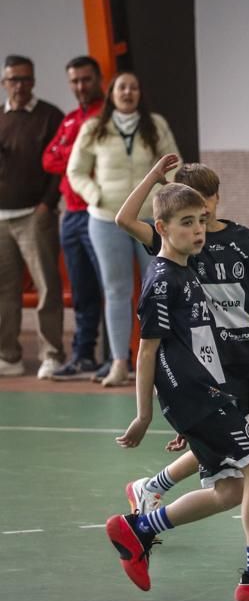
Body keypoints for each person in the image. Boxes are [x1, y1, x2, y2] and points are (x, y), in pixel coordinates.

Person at [103, 181, 249, 601]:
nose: (199, 230)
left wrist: (211, 399)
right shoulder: (163, 280)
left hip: (207, 393)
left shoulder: (186, 270)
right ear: (162, 228)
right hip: (193, 394)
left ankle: (141, 529)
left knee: (232, 489)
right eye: (187, 223)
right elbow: (146, 351)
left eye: (202, 221)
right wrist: (145, 414)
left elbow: (200, 344)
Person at [67, 71, 179, 387]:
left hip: (150, 220)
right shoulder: (94, 127)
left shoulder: (156, 125)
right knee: (116, 291)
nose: (128, 92)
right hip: (106, 219)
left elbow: (177, 164)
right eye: (121, 87)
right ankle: (119, 362)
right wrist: (96, 195)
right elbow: (75, 171)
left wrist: (165, 201)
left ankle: (161, 366)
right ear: (111, 93)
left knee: (156, 290)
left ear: (140, 93)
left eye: (133, 87)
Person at [0, 54, 65, 379]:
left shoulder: (50, 116)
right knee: (4, 289)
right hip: (1, 218)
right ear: (4, 83)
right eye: (14, 79)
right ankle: (8, 356)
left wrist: (46, 205)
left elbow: (61, 165)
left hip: (35, 215)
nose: (20, 85)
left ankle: (51, 354)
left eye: (26, 79)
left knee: (47, 286)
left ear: (34, 81)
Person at [42, 56, 106, 380]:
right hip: (71, 216)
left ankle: (115, 357)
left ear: (98, 79)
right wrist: (76, 156)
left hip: (100, 213)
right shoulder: (69, 119)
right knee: (81, 291)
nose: (80, 86)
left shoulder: (108, 117)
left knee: (110, 288)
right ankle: (83, 356)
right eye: (75, 81)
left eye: (86, 79)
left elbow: (97, 161)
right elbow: (48, 160)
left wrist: (72, 155)